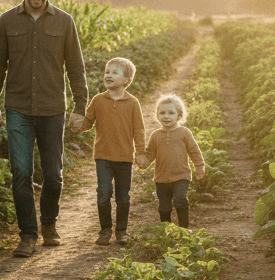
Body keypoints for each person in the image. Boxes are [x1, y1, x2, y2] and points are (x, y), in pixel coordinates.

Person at [0, 0, 88, 258]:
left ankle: (50, 225)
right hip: (18, 108)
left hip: (53, 108)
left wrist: (81, 105)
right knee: (21, 173)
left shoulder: (64, 22)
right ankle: (28, 234)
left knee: (53, 174)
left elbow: (76, 68)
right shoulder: (7, 21)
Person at [75, 57, 148, 246]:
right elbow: (88, 122)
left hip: (125, 158)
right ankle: (105, 229)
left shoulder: (133, 103)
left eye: (115, 72)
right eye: (107, 72)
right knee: (103, 193)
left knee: (123, 197)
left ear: (126, 80)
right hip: (103, 157)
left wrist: (140, 152)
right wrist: (78, 125)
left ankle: (121, 231)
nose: (108, 75)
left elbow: (139, 130)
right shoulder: (98, 100)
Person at [144, 94, 205, 228]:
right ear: (157, 115)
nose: (166, 116)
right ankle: (166, 229)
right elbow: (149, 154)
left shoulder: (184, 132)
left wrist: (199, 166)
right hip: (161, 178)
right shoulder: (155, 136)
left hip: (181, 176)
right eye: (162, 113)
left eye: (171, 113)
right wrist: (142, 161)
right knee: (164, 207)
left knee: (180, 200)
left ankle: (184, 228)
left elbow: (194, 150)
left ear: (179, 115)